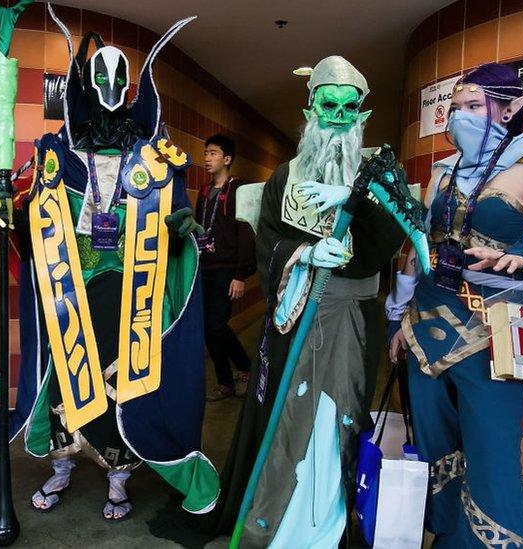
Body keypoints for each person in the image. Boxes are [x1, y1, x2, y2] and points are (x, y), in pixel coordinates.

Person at [0, 6, 219, 522]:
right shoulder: (58, 151)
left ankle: (118, 475)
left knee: (127, 382)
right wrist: (9, 203)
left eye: (120, 85)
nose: (111, 98)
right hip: (71, 281)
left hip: (130, 290)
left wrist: (179, 223)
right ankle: (63, 468)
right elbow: (29, 212)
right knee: (65, 375)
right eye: (102, 83)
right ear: (88, 88)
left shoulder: (155, 155)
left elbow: (173, 203)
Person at [387, 63, 523, 548]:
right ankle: (445, 535)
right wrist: (397, 316)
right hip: (425, 323)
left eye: (473, 106)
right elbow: (416, 245)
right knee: (434, 445)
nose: (460, 117)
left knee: (492, 451)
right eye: (456, 107)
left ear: (511, 108)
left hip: (495, 332)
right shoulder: (443, 171)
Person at [209, 56, 411, 547]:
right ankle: (279, 521)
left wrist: (356, 204)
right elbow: (268, 243)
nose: (338, 115)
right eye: (328, 104)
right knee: (289, 417)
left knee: (337, 416)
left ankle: (332, 520)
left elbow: (390, 239)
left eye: (349, 106)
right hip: (296, 318)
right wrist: (305, 252)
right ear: (311, 107)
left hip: (351, 321)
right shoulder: (285, 178)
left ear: (361, 113)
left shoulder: (381, 176)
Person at [195, 134, 256, 401]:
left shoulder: (239, 191)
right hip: (205, 267)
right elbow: (200, 227)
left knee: (216, 323)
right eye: (206, 153)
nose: (207, 158)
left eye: (213, 153)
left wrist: (240, 275)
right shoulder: (205, 192)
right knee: (209, 328)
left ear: (227, 159)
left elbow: (245, 233)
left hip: (227, 270)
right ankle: (225, 383)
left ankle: (245, 367)